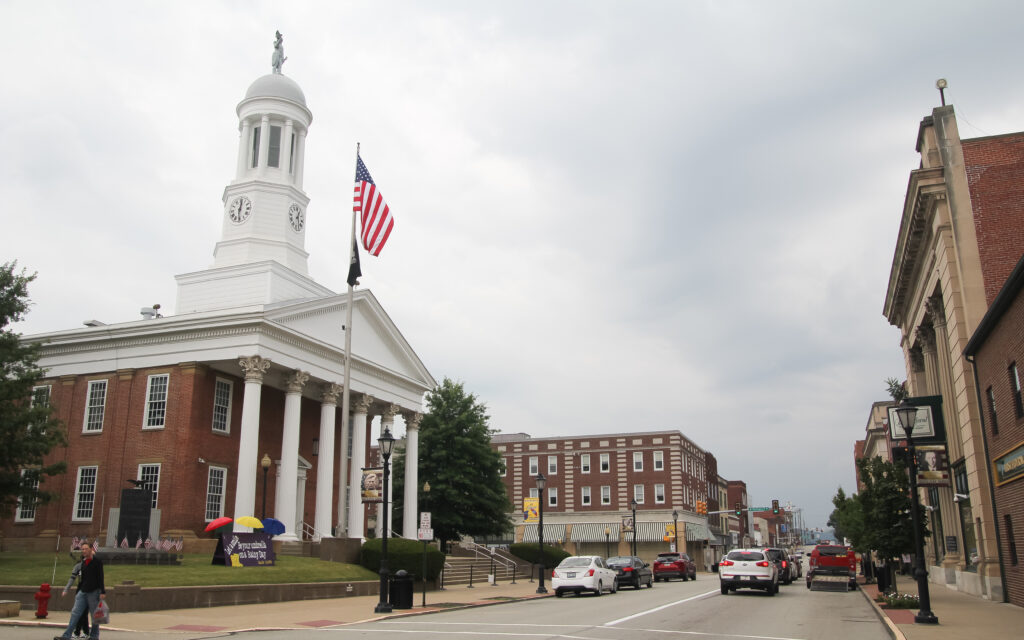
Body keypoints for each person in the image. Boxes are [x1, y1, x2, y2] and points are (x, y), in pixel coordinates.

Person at [54, 540, 104, 640]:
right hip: (83, 592)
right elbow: (82, 578)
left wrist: (102, 591)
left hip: (94, 592)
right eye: (83, 549)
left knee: (95, 616)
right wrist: (79, 592)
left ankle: (94, 636)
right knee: (75, 613)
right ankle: (66, 636)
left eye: (86, 549)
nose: (84, 551)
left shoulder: (97, 562)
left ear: (91, 549)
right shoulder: (83, 563)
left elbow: (100, 577)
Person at [62, 560, 90, 638]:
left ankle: (79, 632)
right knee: (80, 612)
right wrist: (66, 589)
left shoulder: (93, 565)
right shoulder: (78, 566)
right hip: (80, 590)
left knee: (82, 613)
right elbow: (72, 578)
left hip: (90, 591)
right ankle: (84, 632)